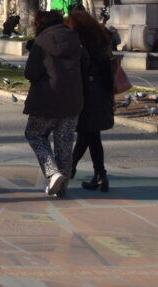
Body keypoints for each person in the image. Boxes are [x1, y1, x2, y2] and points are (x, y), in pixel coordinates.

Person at [23, 10, 86, 197]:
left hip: (47, 99)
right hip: (73, 100)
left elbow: (31, 73)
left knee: (34, 134)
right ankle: (62, 187)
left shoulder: (41, 41)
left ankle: (52, 173)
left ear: (40, 23)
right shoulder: (75, 38)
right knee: (65, 144)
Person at [66, 11, 115, 192]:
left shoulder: (80, 42)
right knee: (91, 134)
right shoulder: (102, 39)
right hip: (102, 92)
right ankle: (99, 175)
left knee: (89, 133)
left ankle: (75, 169)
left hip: (87, 92)